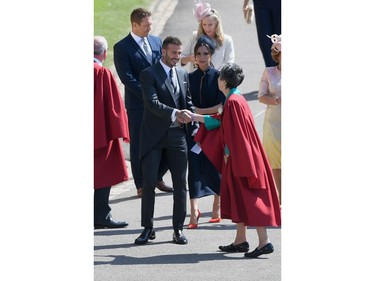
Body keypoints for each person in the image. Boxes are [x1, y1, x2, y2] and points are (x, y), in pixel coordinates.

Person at [188, 63, 281, 258]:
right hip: (244, 156)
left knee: (250, 198)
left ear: (224, 81)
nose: (218, 80)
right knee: (240, 197)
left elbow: (235, 133)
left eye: (220, 77)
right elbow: (221, 122)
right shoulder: (235, 99)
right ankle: (241, 240)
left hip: (242, 159)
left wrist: (229, 153)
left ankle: (264, 242)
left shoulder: (232, 102)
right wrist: (195, 117)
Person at [134, 36, 197, 245]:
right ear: (163, 52)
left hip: (177, 136)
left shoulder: (182, 73)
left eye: (179, 53)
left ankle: (178, 229)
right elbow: (151, 104)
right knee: (149, 182)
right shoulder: (148, 74)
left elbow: (188, 102)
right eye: (173, 53)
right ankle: (147, 228)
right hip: (154, 137)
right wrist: (176, 113)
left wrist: (191, 120)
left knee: (180, 183)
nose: (177, 57)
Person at [114, 7, 173, 198]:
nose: (150, 27)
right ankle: (141, 183)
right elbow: (127, 78)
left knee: (167, 139)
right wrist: (149, 96)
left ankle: (157, 177)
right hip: (138, 104)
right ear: (135, 25)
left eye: (151, 24)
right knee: (139, 143)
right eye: (146, 25)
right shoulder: (122, 47)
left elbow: (163, 67)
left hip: (160, 102)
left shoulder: (156, 41)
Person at [186, 36, 225, 229]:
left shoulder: (218, 76)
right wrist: (195, 112)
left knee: (214, 166)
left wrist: (198, 112)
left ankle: (216, 206)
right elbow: (185, 104)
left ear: (211, 55)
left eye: (206, 53)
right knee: (193, 167)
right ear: (194, 56)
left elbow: (221, 107)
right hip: (193, 129)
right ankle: (194, 211)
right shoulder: (188, 77)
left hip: (214, 128)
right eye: (198, 53)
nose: (202, 57)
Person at [94, 36, 130, 229]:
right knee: (102, 174)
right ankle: (101, 215)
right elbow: (114, 107)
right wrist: (120, 130)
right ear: (105, 54)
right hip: (100, 132)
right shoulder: (102, 73)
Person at [258, 34, 282, 204]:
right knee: (275, 160)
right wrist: (276, 100)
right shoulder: (269, 72)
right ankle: (281, 198)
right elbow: (261, 96)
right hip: (274, 122)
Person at [181, 1, 235, 72]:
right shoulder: (194, 36)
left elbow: (229, 63)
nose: (207, 28)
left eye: (210, 25)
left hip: (216, 80)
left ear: (217, 24)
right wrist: (190, 59)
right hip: (196, 79)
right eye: (204, 25)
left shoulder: (227, 40)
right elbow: (181, 59)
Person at [242, 0, 281, 67]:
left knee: (281, 41)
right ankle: (272, 74)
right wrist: (245, 3)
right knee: (265, 42)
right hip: (261, 3)